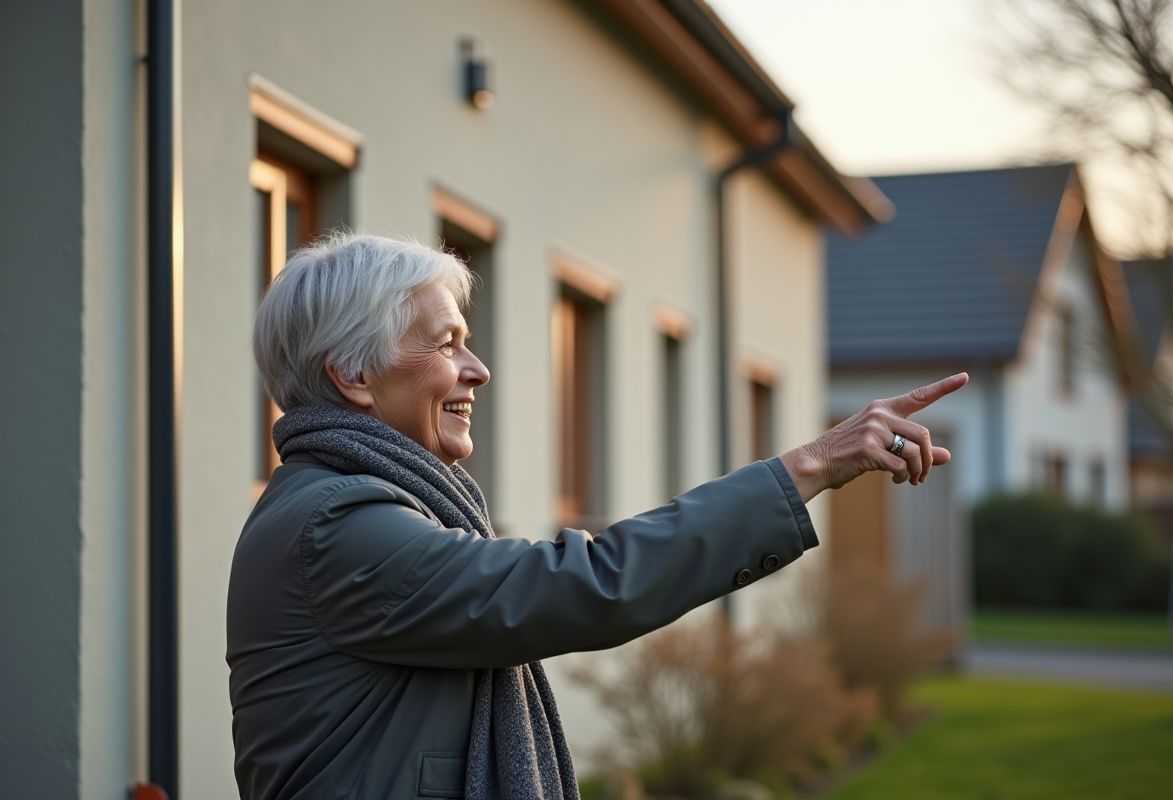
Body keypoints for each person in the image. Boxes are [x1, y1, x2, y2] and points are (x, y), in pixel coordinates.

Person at [227, 233, 966, 800]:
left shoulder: (350, 504)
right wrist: (809, 466)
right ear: (353, 376)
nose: (478, 369)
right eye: (447, 344)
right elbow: (583, 585)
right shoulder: (336, 524)